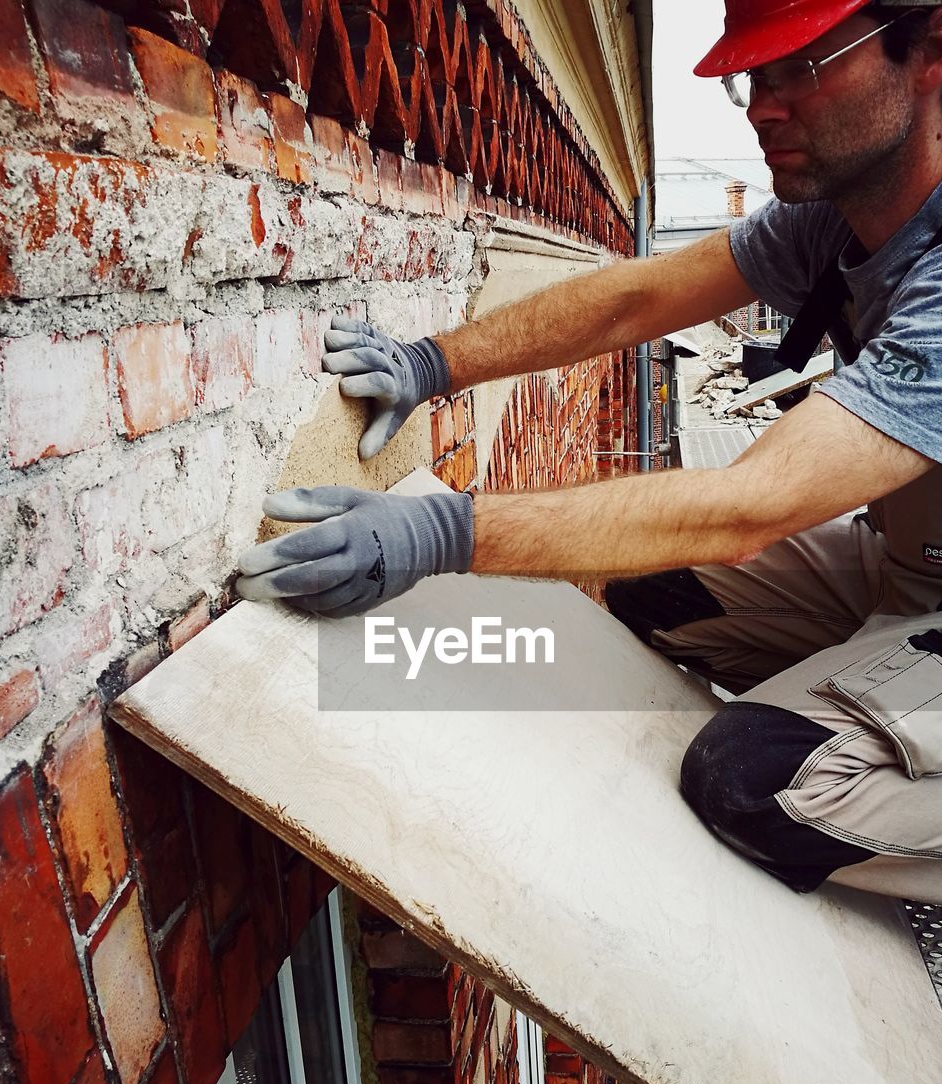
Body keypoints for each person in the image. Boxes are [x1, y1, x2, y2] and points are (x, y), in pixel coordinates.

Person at [237, 0, 942, 902]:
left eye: (799, 66)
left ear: (926, 52)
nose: (765, 105)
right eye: (752, 77)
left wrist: (438, 534)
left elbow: (750, 507)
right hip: (909, 575)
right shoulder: (841, 219)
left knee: (751, 779)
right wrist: (431, 363)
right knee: (657, 588)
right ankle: (862, 698)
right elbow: (637, 300)